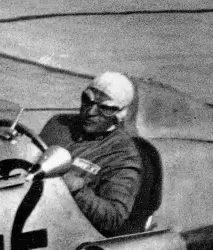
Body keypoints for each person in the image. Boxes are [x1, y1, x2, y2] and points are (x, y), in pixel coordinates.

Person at [39, 72, 143, 236]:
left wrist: (77, 190)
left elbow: (114, 217)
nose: (90, 112)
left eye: (105, 108)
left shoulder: (123, 154)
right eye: (87, 100)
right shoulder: (58, 124)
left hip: (63, 230)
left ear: (119, 115)